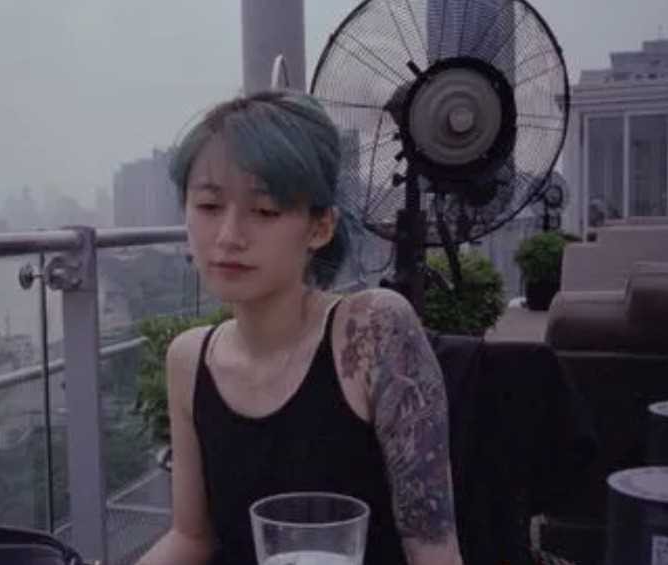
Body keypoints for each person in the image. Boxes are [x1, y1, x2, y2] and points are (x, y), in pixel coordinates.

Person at [137, 91, 463, 565]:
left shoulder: (372, 332)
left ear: (320, 227)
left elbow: (434, 553)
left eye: (265, 211)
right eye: (208, 206)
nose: (228, 236)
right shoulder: (188, 359)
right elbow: (191, 537)